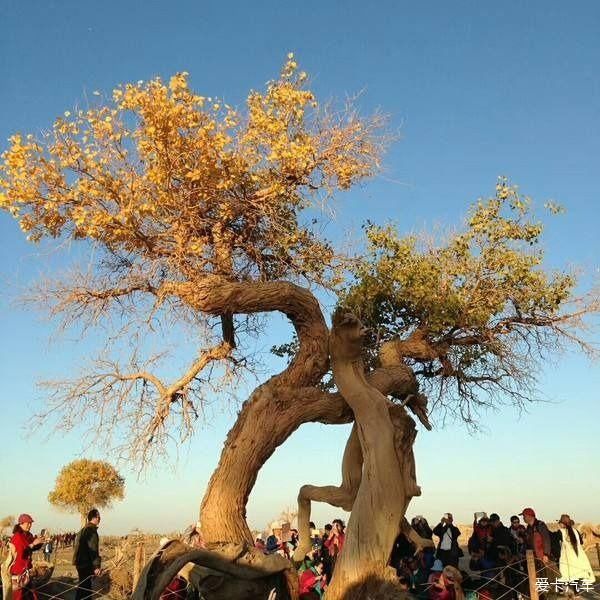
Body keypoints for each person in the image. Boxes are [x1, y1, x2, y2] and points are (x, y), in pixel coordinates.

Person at [7, 514, 45, 600]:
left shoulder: (28, 535)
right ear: (21, 523)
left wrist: (40, 542)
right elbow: (22, 553)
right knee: (18, 596)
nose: (30, 525)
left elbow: (33, 547)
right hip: (17, 572)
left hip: (27, 570)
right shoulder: (17, 537)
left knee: (31, 595)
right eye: (28, 523)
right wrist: (33, 544)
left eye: (31, 523)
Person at [73, 508, 102, 600]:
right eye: (98, 517)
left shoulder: (83, 530)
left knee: (83, 588)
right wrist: (96, 566)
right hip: (86, 564)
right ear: (95, 517)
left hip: (80, 563)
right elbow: (93, 550)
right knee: (85, 590)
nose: (100, 519)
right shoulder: (91, 531)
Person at [557, 514, 594, 583]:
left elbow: (555, 542)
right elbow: (581, 542)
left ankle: (573, 592)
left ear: (562, 524)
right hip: (579, 557)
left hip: (568, 557)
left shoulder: (560, 532)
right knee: (577, 576)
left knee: (569, 576)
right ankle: (576, 592)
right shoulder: (576, 531)